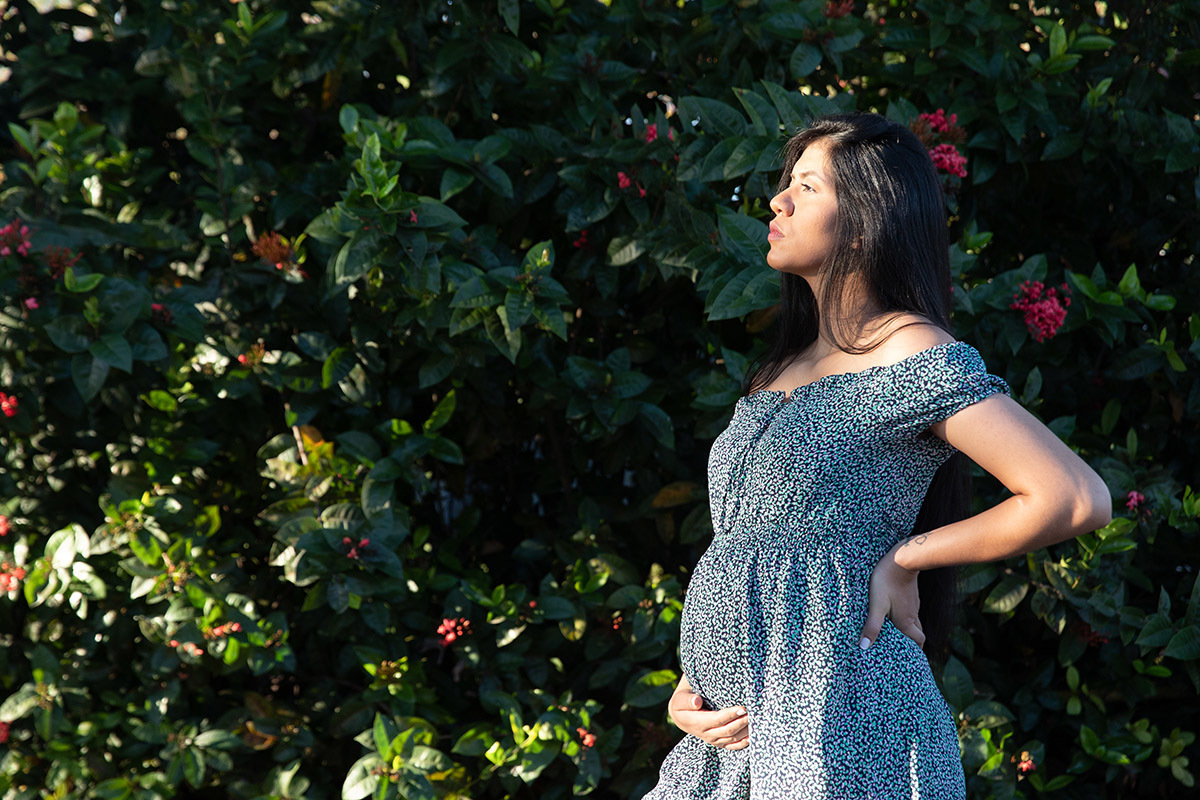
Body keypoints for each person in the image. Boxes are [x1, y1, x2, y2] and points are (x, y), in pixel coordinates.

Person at [641, 112, 1112, 799]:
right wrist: (697, 683)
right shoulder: (783, 367)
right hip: (737, 735)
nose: (778, 200)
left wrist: (906, 559)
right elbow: (749, 548)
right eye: (785, 184)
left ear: (865, 221)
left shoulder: (909, 352)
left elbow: (1073, 496)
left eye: (807, 186)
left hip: (837, 719)